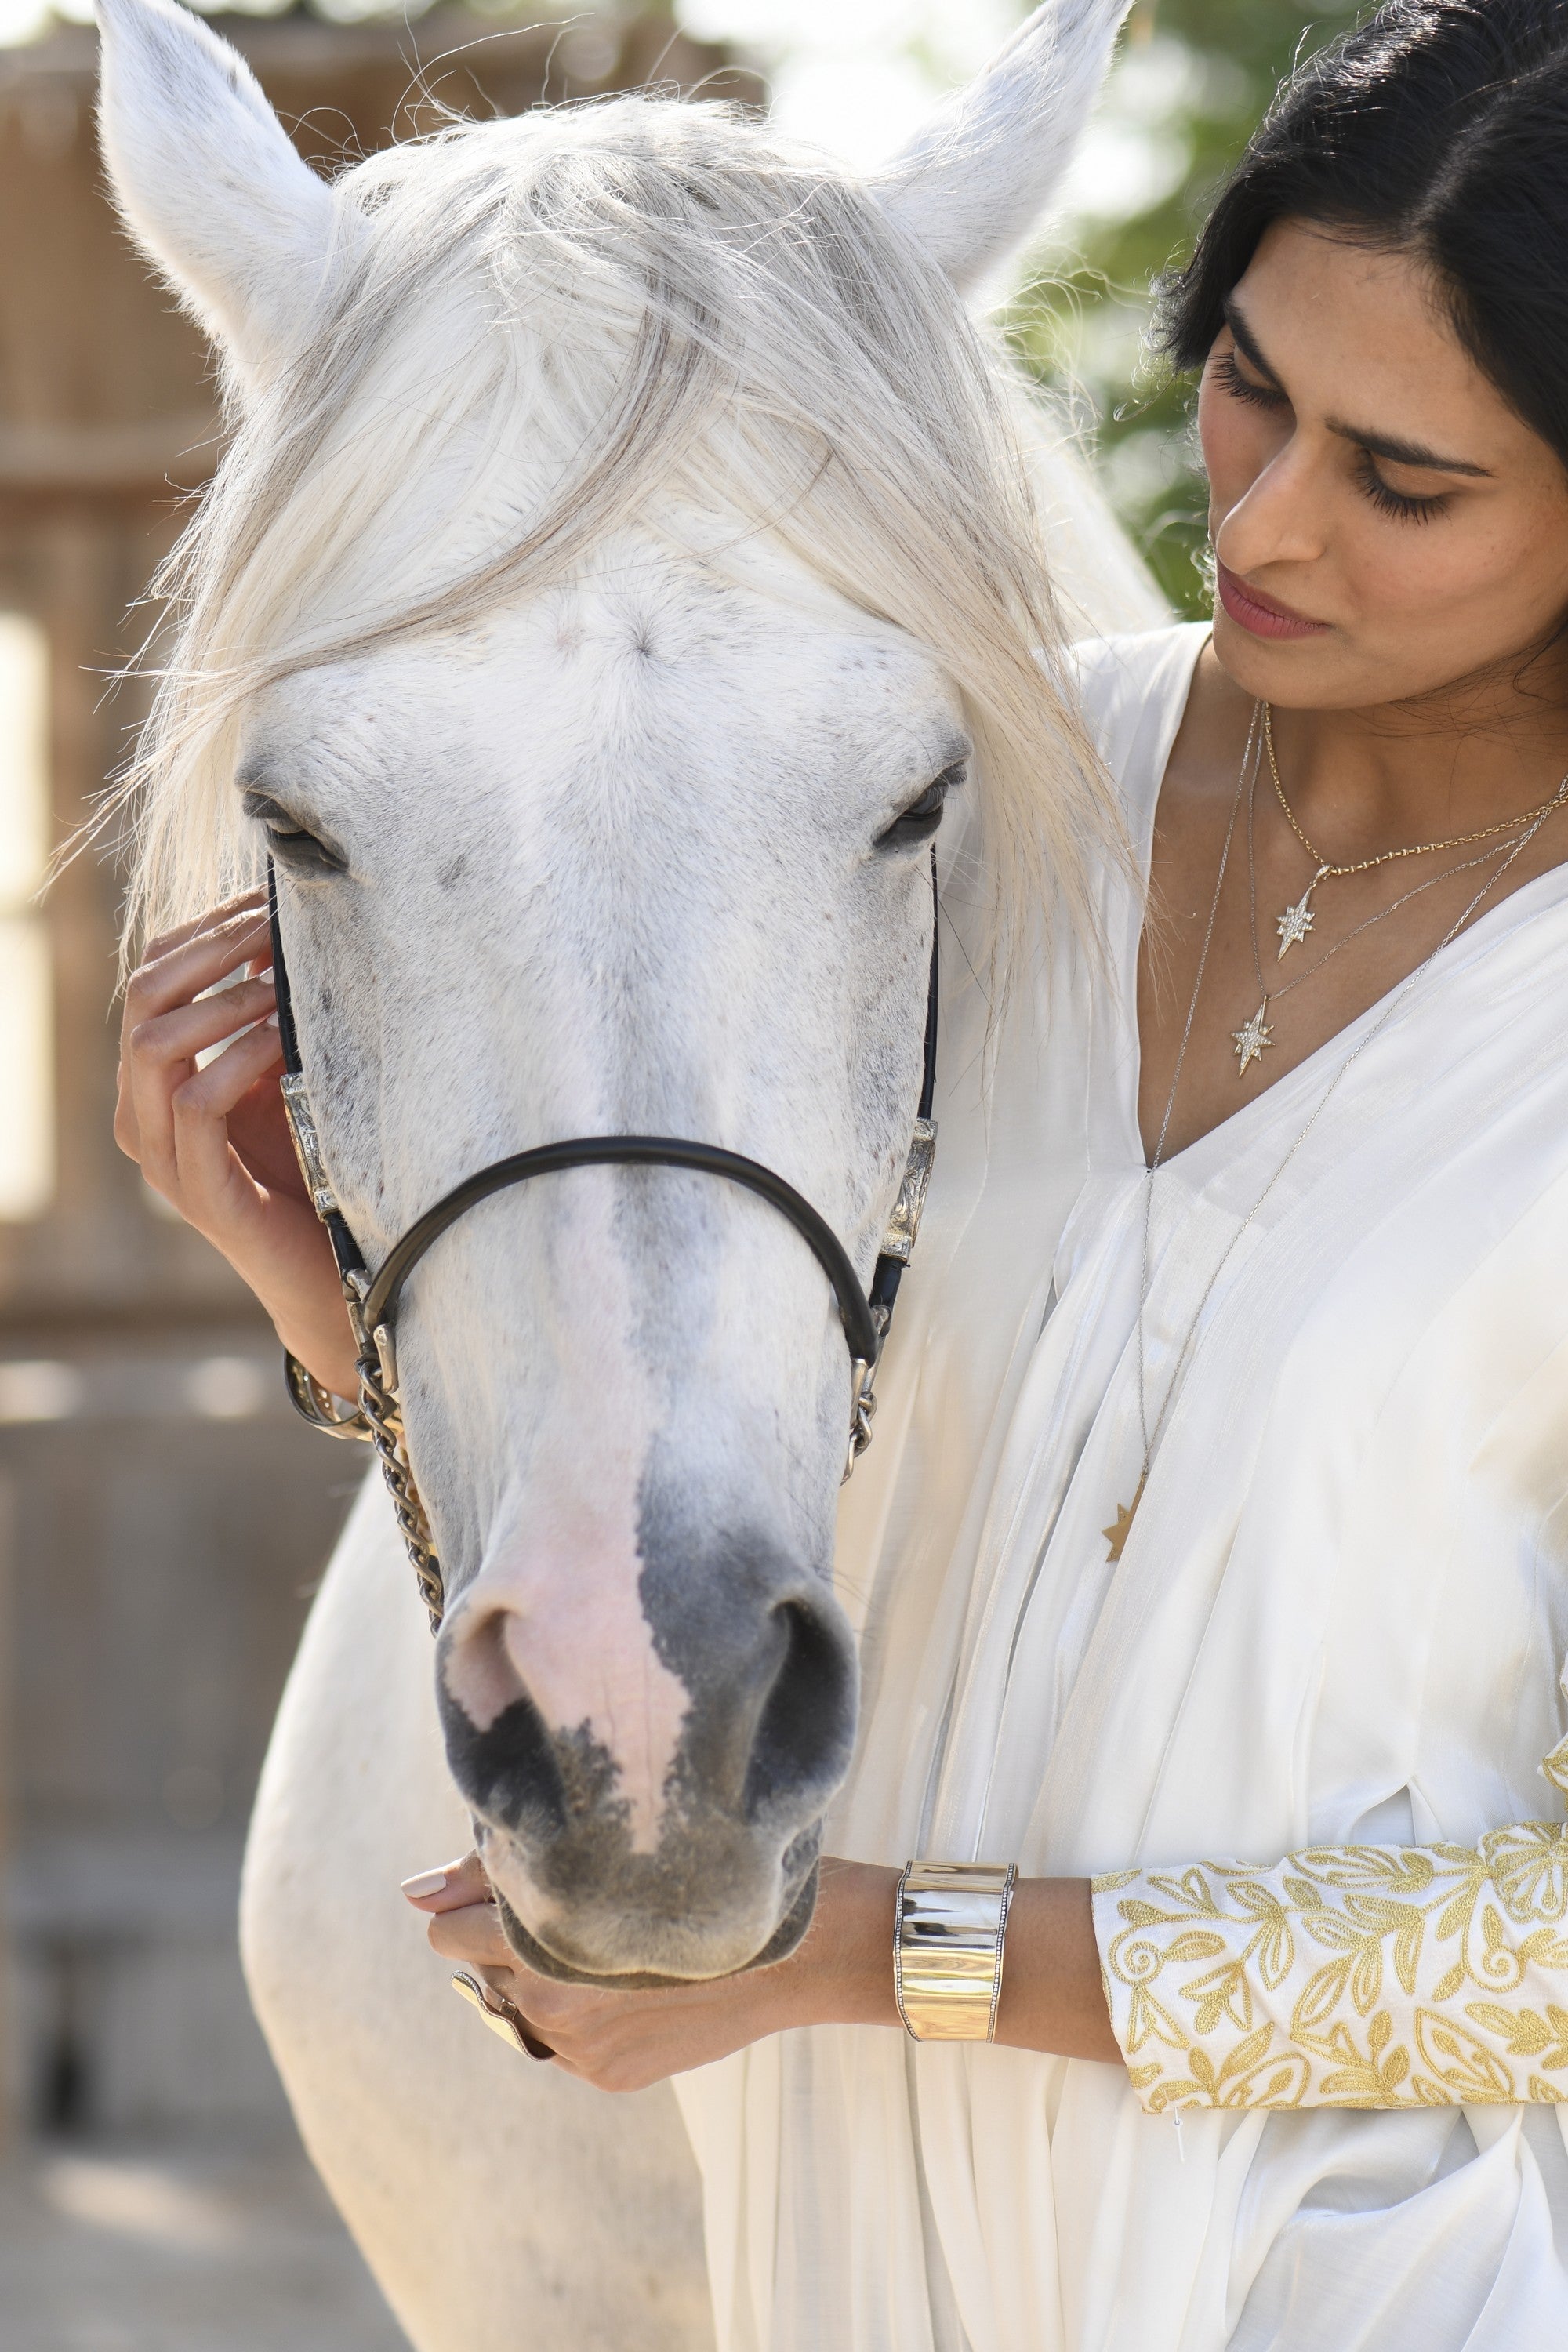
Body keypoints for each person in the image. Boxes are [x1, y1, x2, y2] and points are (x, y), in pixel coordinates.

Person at [114, 1, 1568, 2341]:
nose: (1265, 522)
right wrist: (323, 1297)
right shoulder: (939, 797)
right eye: (1247, 387)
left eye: (1404, 481)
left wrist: (876, 1957)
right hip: (851, 2272)